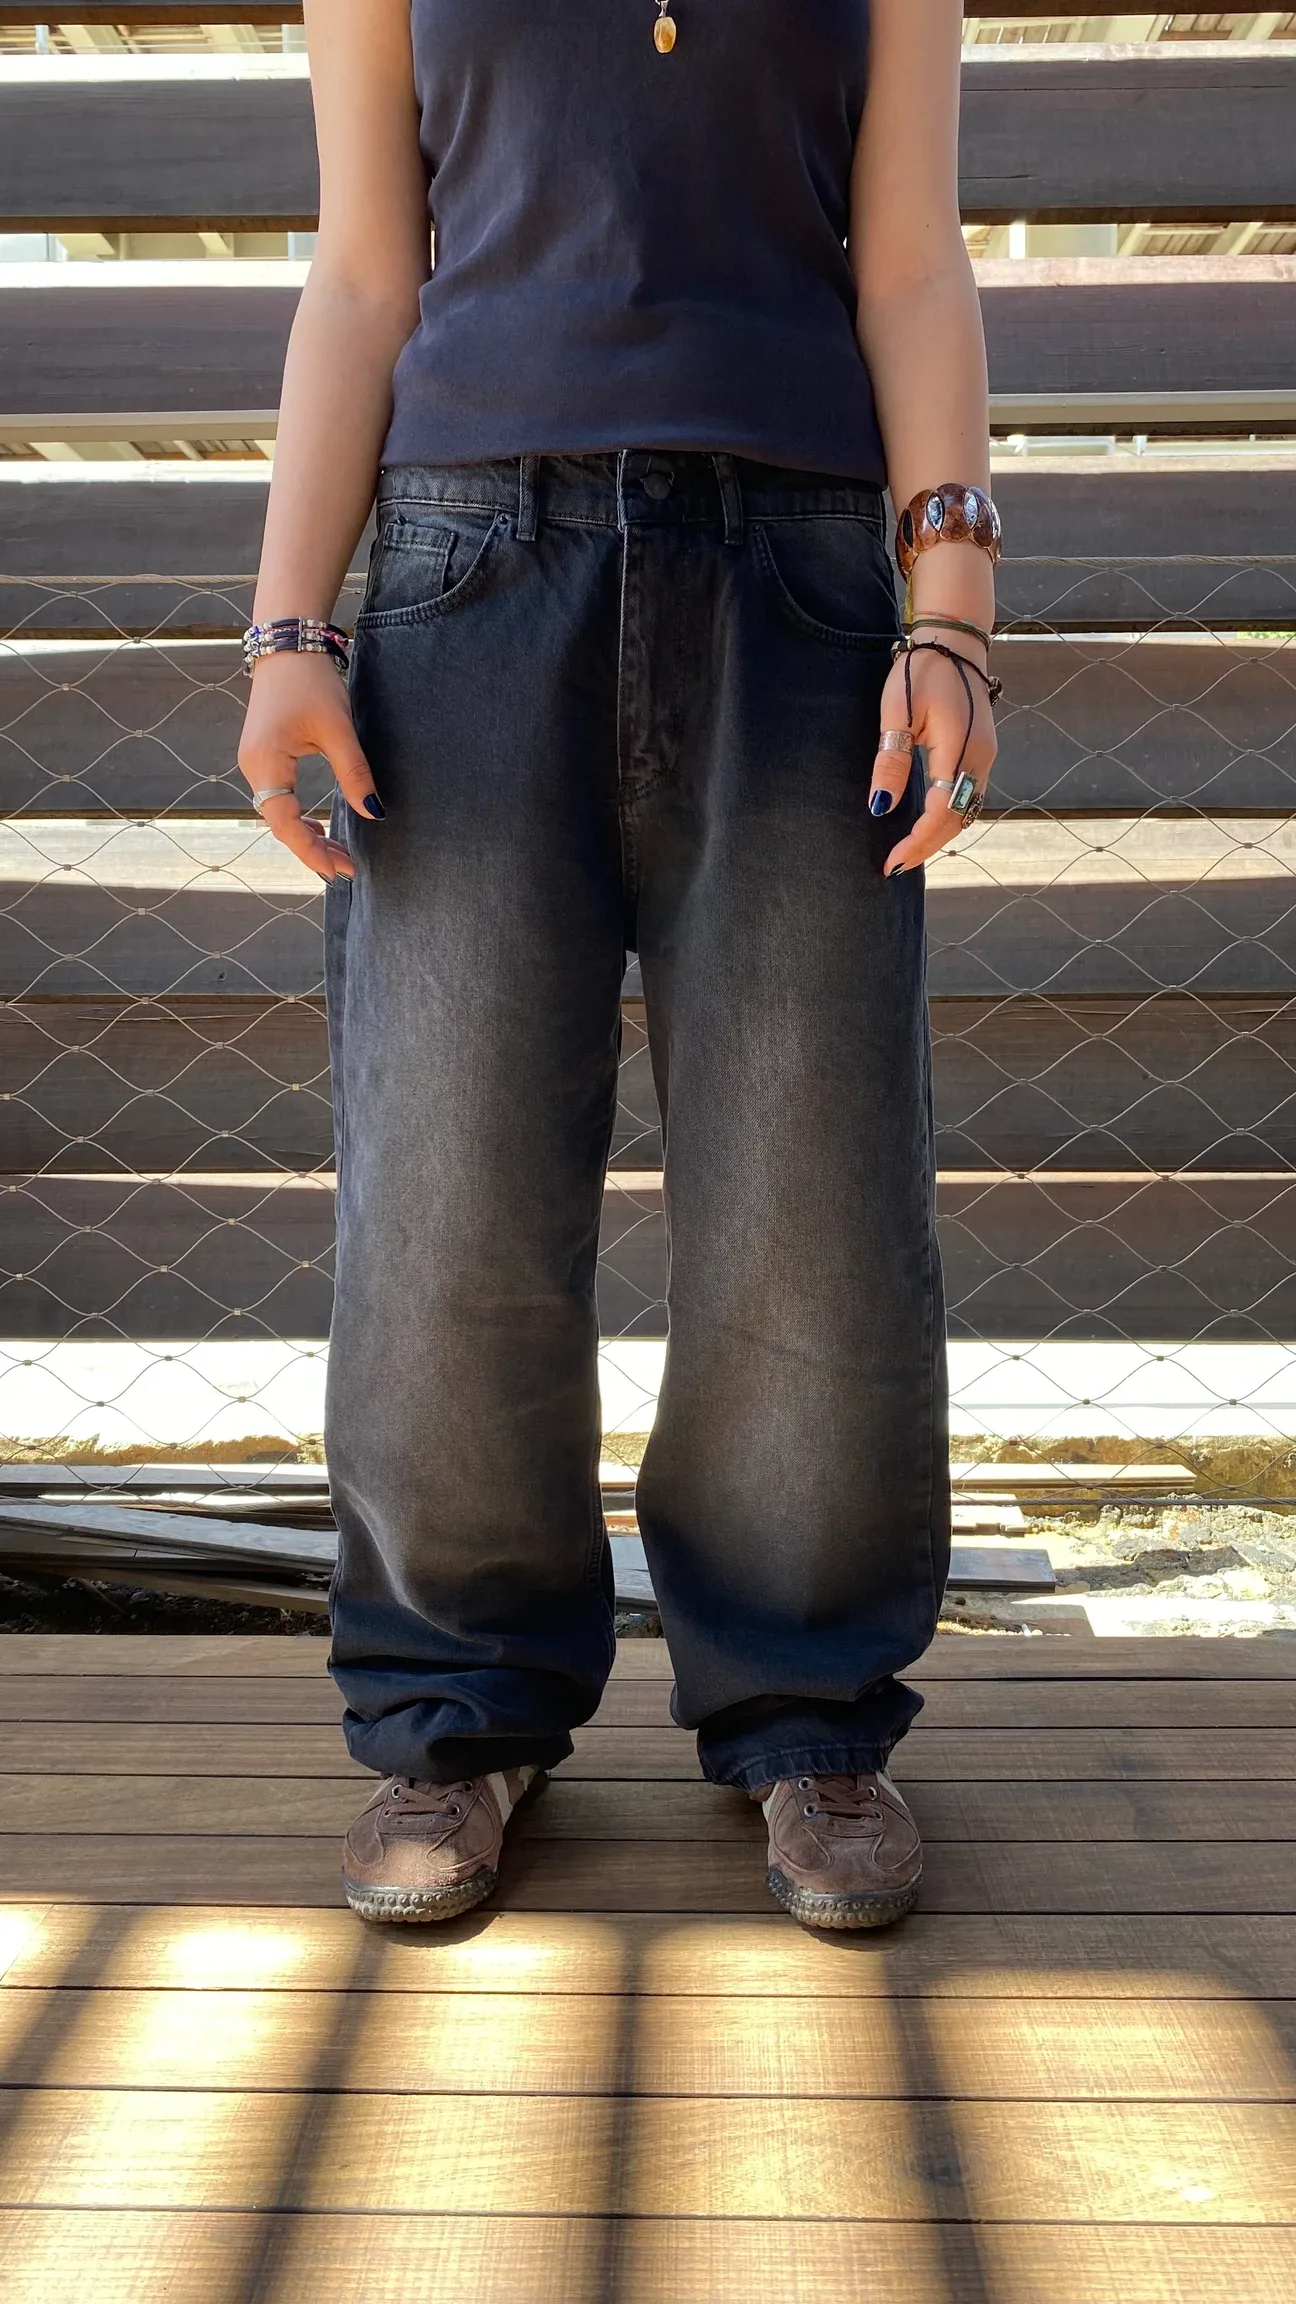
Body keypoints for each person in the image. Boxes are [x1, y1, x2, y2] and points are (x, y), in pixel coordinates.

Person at [238, 0, 998, 1931]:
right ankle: (456, 1714)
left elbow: (912, 260)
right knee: (448, 1190)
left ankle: (807, 1710)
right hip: (468, 582)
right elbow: (363, 273)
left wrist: (954, 610)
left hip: (804, 588)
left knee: (815, 1195)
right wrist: (288, 630)